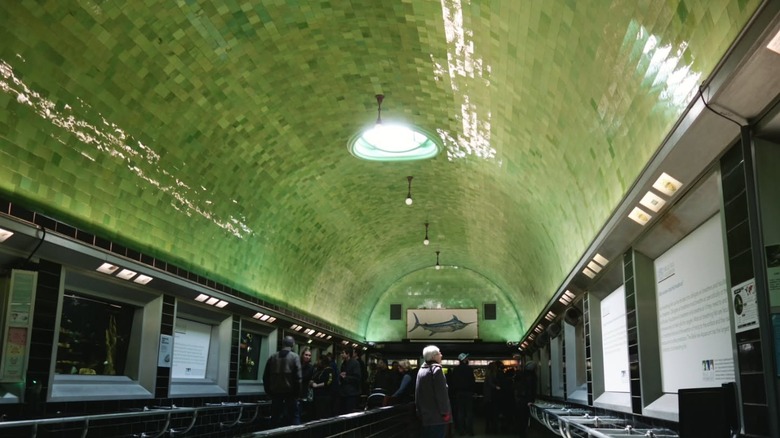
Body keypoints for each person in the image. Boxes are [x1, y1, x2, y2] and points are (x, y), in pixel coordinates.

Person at [262, 336, 302, 427]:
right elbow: (298, 378)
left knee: (275, 419)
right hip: (291, 394)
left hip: (276, 394)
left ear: (283, 344)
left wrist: (269, 393)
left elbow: (265, 377)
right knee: (294, 418)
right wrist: (297, 394)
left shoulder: (272, 357)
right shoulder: (295, 357)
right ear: (293, 345)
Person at [415, 345, 452, 438]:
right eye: (439, 353)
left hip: (425, 416)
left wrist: (418, 411)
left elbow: (417, 393)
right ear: (433, 357)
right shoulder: (437, 370)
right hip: (437, 417)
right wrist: (445, 412)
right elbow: (441, 394)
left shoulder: (421, 370)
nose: (441, 355)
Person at [450, 353, 475, 436]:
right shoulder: (469, 369)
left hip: (459, 393)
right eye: (467, 358)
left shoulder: (456, 369)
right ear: (464, 359)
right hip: (468, 393)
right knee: (469, 412)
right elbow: (472, 381)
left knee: (460, 412)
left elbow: (453, 382)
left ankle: (461, 431)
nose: (468, 359)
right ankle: (470, 431)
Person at [514, 360, 538, 438]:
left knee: (521, 417)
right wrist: (530, 400)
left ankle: (521, 432)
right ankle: (523, 433)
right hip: (526, 399)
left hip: (520, 399)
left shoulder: (521, 375)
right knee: (525, 417)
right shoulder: (531, 376)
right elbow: (531, 389)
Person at [310, 355, 335, 419]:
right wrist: (312, 382)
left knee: (323, 414)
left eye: (319, 360)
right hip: (317, 395)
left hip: (324, 395)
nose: (317, 362)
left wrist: (317, 385)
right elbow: (313, 378)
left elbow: (328, 382)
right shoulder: (318, 370)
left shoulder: (329, 370)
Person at [339, 347, 362, 413]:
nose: (341, 355)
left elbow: (357, 377)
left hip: (352, 393)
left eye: (343, 353)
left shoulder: (355, 363)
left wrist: (346, 377)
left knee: (350, 412)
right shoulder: (343, 364)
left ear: (348, 354)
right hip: (344, 393)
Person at [299, 346, 315, 421]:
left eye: (309, 355)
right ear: (302, 355)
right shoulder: (297, 365)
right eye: (306, 355)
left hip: (305, 392)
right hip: (296, 392)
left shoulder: (311, 367)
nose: (308, 357)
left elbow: (306, 377)